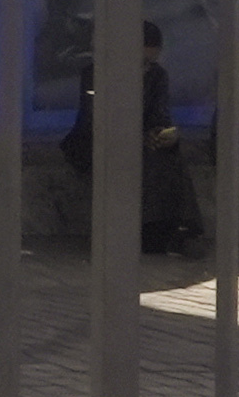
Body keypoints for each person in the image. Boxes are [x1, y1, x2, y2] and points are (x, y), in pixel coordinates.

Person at [59, 20, 204, 257]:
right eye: (141, 61)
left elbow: (160, 114)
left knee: (169, 155)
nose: (145, 67)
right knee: (136, 155)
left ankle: (181, 226)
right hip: (95, 139)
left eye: (149, 62)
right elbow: (94, 119)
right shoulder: (95, 74)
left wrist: (163, 133)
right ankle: (149, 230)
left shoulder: (156, 76)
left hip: (142, 138)